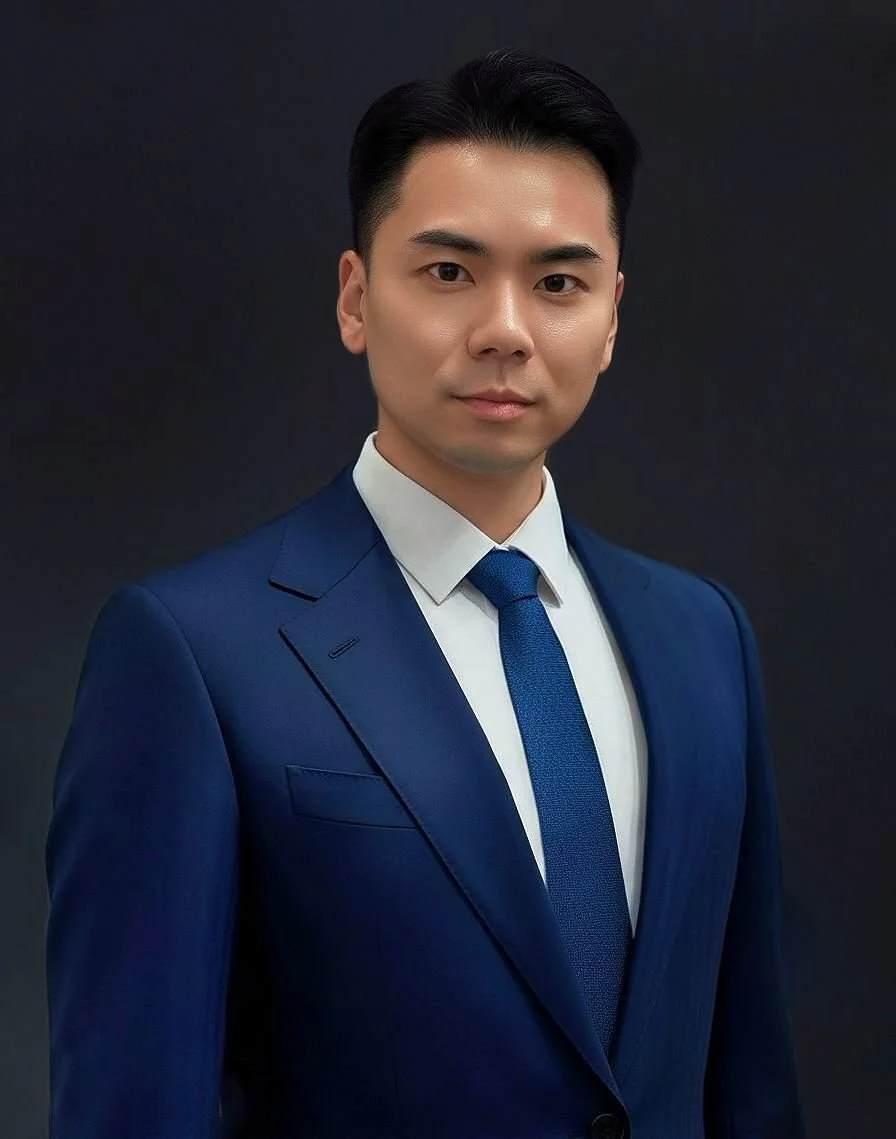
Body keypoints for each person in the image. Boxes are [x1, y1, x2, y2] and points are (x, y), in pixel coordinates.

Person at [45, 47, 804, 1139]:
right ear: (356, 297)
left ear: (611, 317)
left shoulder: (701, 638)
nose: (504, 328)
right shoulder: (192, 653)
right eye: (448, 271)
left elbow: (746, 1084)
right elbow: (134, 1101)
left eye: (557, 280)